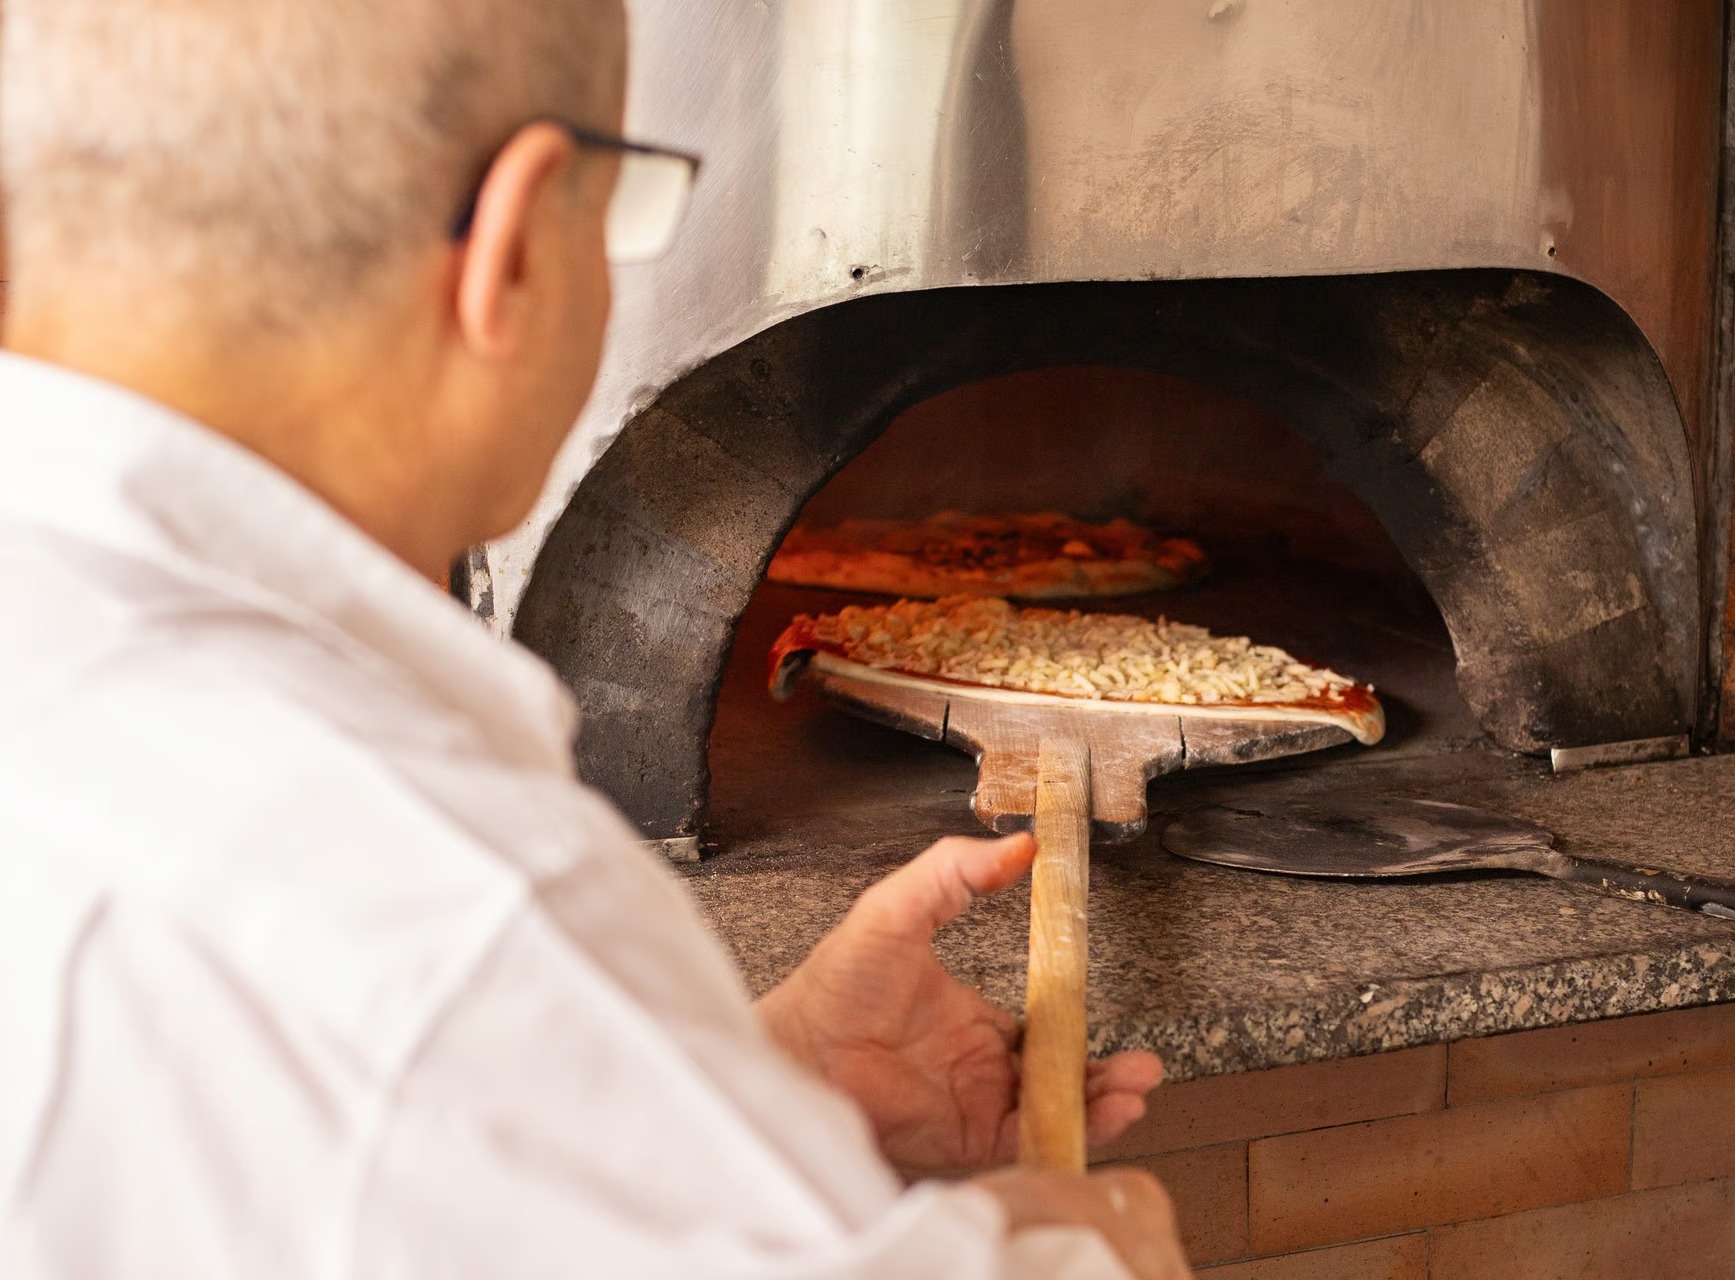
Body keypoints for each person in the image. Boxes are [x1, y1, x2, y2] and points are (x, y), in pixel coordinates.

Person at [0, 1, 1194, 1277]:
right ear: (514, 243)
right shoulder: (453, 896)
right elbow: (415, 1016)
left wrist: (713, 1086)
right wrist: (1091, 1250)